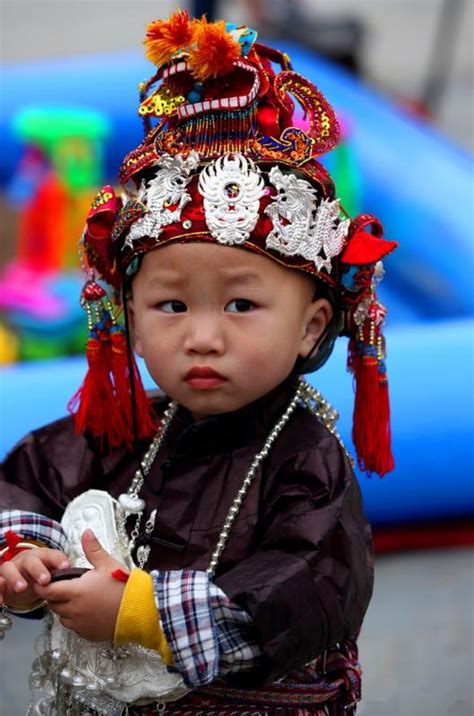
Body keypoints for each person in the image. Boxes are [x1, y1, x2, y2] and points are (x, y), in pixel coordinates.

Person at [0, 11, 397, 715]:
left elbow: (307, 586)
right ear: (125, 313)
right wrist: (22, 556)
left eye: (241, 306)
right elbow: (28, 479)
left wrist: (141, 613)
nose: (202, 338)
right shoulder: (126, 431)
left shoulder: (307, 462)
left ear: (311, 327)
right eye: (172, 307)